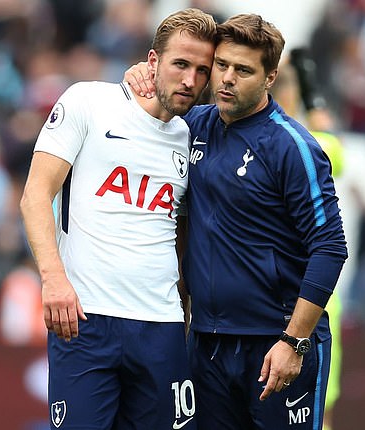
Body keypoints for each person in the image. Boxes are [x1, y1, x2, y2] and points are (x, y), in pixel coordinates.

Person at [126, 13, 348, 430]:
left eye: (243, 70)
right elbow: (145, 109)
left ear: (270, 77)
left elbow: (331, 247)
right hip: (208, 345)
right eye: (222, 66)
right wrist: (143, 73)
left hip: (276, 343)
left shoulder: (293, 147)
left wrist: (293, 341)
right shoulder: (192, 126)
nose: (226, 78)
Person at [19, 8, 216, 430]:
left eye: (202, 70)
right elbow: (36, 195)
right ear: (152, 61)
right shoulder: (89, 101)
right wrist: (53, 278)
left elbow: (183, 232)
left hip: (161, 326)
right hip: (85, 318)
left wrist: (185, 306)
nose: (189, 80)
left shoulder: (196, 135)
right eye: (180, 64)